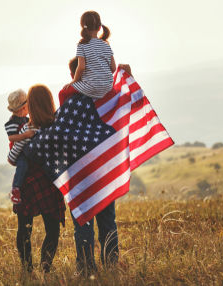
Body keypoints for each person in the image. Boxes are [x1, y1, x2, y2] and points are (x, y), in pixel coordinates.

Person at [60, 56, 129, 275]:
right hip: (102, 170)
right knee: (107, 220)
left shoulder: (66, 95)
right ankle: (110, 264)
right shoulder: (103, 95)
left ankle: (86, 267)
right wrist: (123, 72)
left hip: (79, 173)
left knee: (83, 222)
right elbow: (123, 96)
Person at [10, 85, 66, 273]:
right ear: (50, 102)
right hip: (50, 183)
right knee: (52, 229)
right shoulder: (58, 127)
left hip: (28, 183)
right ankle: (45, 268)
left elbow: (11, 159)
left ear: (31, 105)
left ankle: (28, 270)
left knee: (24, 230)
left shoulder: (26, 129)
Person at [62, 10, 116, 101]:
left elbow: (81, 67)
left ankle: (64, 115)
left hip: (92, 86)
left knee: (63, 92)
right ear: (99, 27)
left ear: (83, 27)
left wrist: (74, 81)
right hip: (108, 86)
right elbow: (113, 68)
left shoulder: (82, 45)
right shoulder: (106, 45)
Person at [4, 89, 37, 204]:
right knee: (22, 165)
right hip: (19, 152)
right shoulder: (12, 122)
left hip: (27, 148)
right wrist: (25, 135)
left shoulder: (26, 119)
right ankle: (16, 188)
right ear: (23, 108)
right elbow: (11, 138)